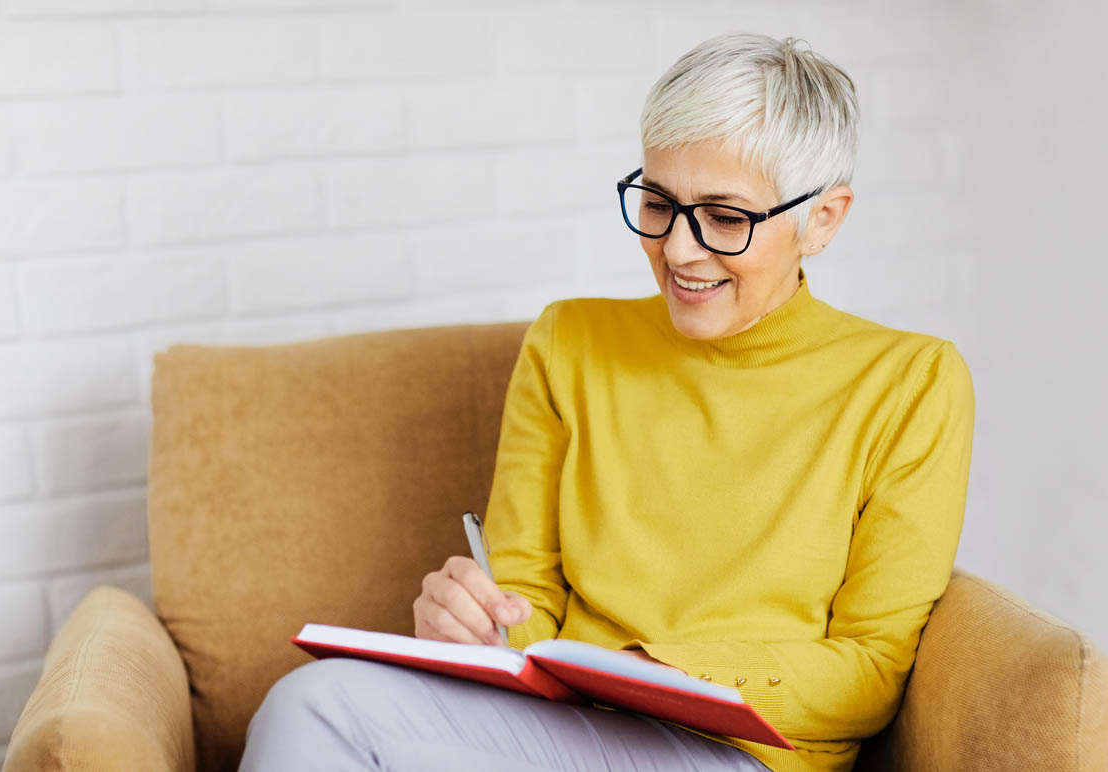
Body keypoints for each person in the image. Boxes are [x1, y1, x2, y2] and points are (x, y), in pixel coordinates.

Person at [237, 31, 975, 772]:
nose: (678, 251)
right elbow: (526, 596)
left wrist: (673, 671)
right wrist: (478, 628)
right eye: (657, 202)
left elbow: (872, 670)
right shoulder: (569, 341)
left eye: (724, 217)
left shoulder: (908, 380)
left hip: (740, 755)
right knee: (313, 702)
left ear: (822, 218)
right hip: (571, 727)